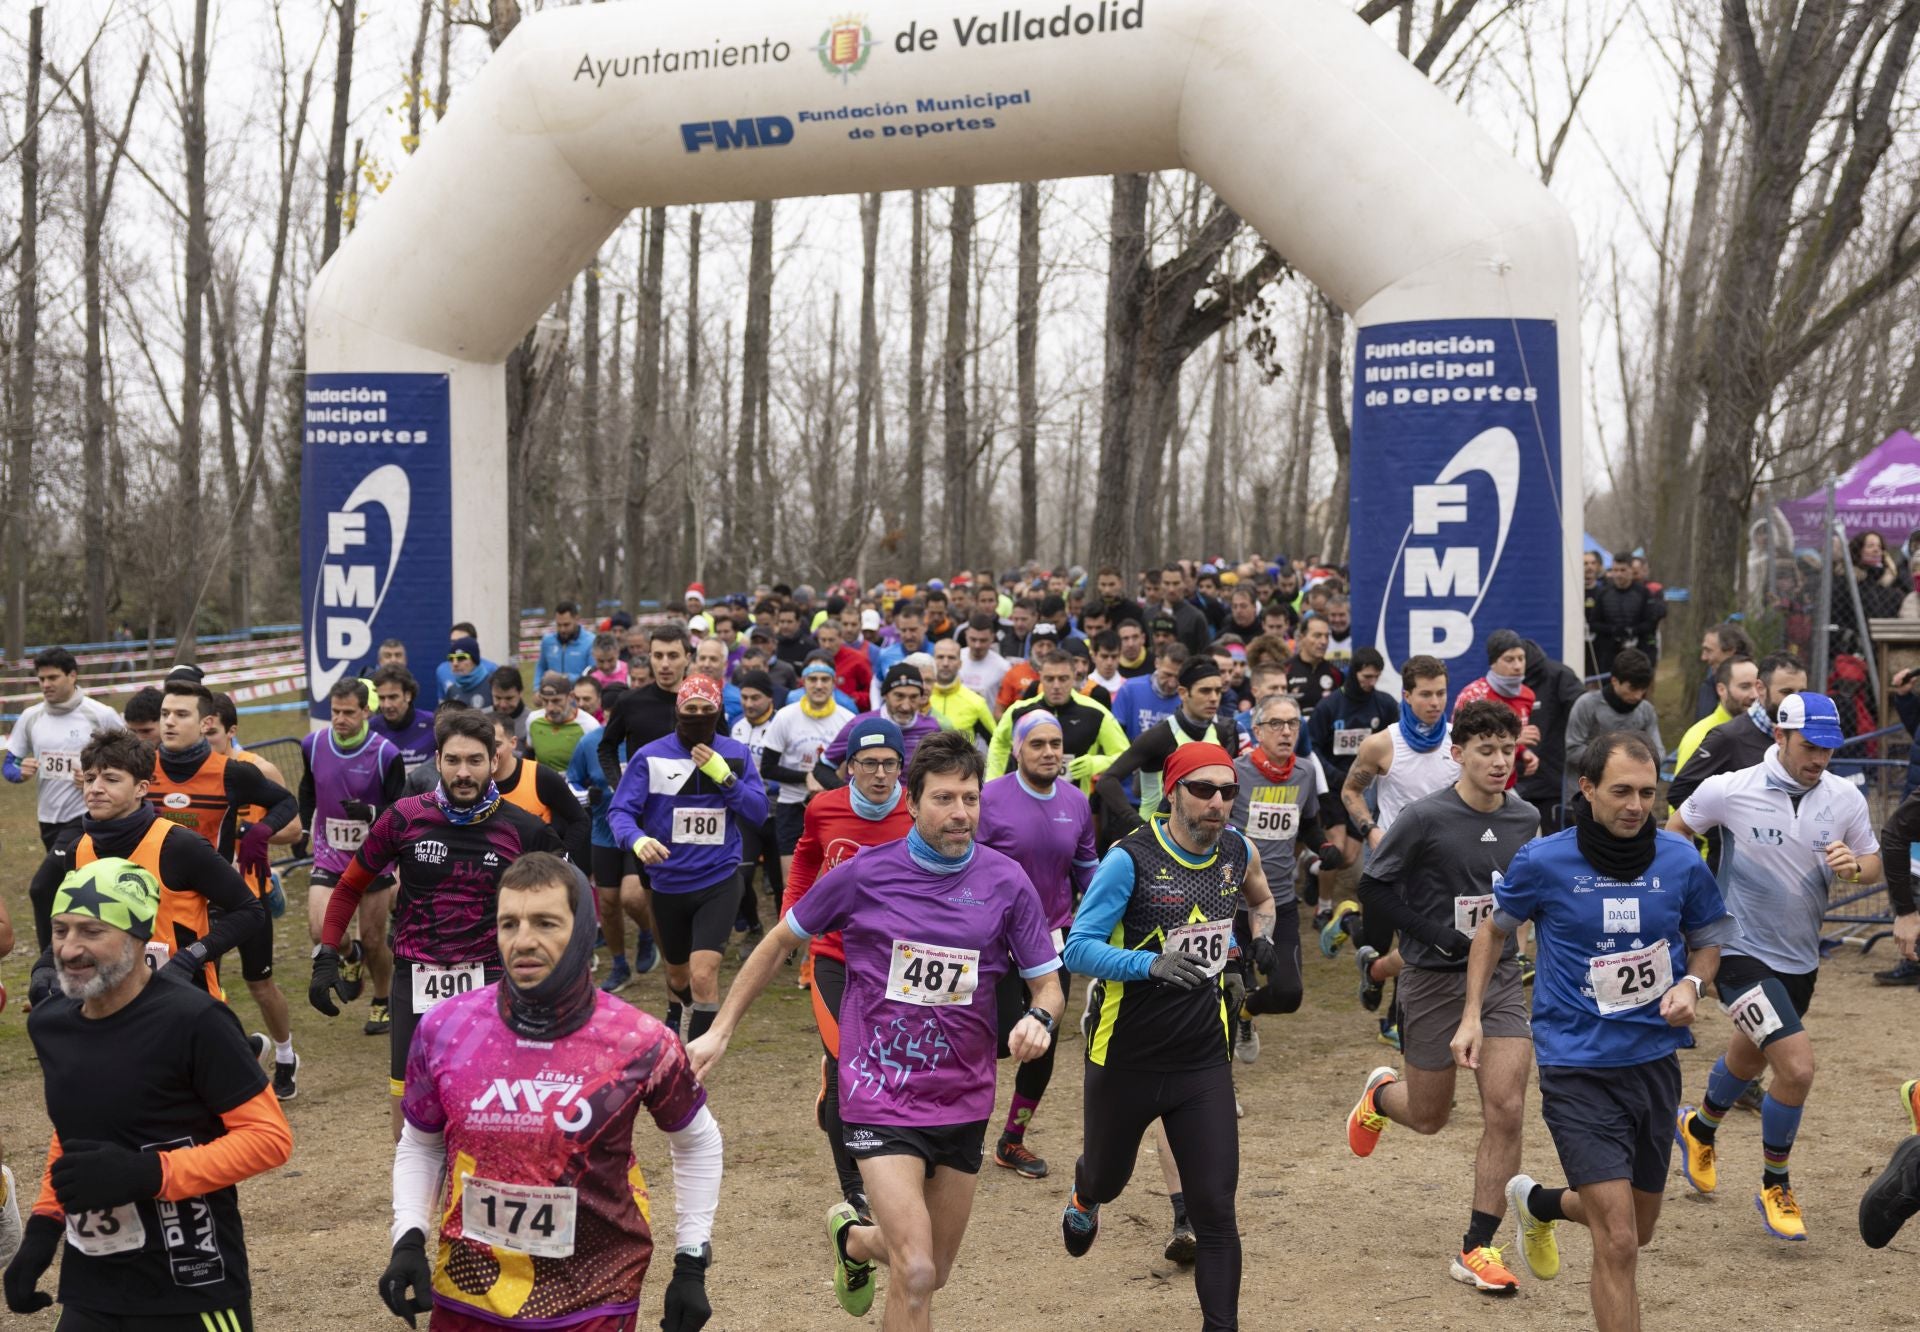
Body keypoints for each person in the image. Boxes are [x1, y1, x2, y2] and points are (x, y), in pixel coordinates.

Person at [688, 731, 1063, 1328]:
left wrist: (1040, 1018)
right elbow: (781, 940)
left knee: (932, 1272)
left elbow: (1048, 983)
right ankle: (873, 1238)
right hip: (879, 1091)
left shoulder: (1006, 881)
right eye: (943, 798)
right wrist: (721, 1029)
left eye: (969, 798)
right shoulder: (866, 875)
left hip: (963, 1095)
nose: (960, 812)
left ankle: (856, 1239)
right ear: (912, 802)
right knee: (914, 1272)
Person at [1454, 731, 1735, 1332]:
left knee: (1641, 1226)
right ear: (1587, 789)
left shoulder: (1681, 860)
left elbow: (1708, 940)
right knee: (1619, 1241)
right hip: (1576, 1065)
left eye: (1647, 793)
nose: (1636, 805)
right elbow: (1492, 932)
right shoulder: (1544, 861)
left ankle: (1541, 1202)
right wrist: (1473, 1014)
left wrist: (1692, 984)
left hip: (1653, 1062)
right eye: (1622, 791)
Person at [377, 853, 721, 1332]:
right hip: (469, 1290)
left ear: (582, 929)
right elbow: (421, 1141)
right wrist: (408, 1237)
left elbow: (697, 1142)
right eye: (508, 923)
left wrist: (690, 1261)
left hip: (596, 1295)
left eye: (545, 923)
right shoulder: (444, 1028)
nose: (523, 941)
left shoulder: (639, 1040)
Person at [3, 857, 293, 1330]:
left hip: (192, 1282)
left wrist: (151, 1172)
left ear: (137, 938)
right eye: (60, 931)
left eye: (91, 931)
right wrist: (44, 1227)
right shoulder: (50, 1024)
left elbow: (268, 1137)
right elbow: (75, 1131)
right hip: (93, 1281)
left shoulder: (194, 1020)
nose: (69, 949)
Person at [1062, 741, 1274, 1332]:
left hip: (1202, 1058)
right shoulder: (1129, 859)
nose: (1218, 802)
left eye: (1228, 791)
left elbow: (1263, 900)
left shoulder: (1237, 849)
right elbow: (1077, 946)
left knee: (1215, 1210)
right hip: (1126, 1054)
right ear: (1172, 792)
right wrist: (1145, 965)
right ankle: (1085, 1195)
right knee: (1110, 1176)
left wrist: (1264, 936)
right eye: (1203, 789)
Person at [1342, 701, 1541, 1295]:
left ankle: (1477, 1247)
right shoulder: (1426, 817)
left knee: (1506, 1108)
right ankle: (1381, 1095)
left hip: (1500, 978)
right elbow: (1374, 886)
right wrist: (1435, 935)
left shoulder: (1527, 818)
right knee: (1430, 1116)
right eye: (1486, 750)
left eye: (1507, 750)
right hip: (1431, 977)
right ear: (1458, 755)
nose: (1499, 761)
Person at [1667, 691, 1880, 1240]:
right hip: (1735, 949)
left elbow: (1873, 861)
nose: (1819, 759)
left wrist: (1855, 867)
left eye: (1829, 750)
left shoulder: (1843, 798)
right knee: (1797, 1067)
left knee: (1748, 1055)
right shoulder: (1729, 788)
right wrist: (1690, 903)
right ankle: (1774, 1183)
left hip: (1799, 957)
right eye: (1809, 747)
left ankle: (1698, 1125)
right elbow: (1675, 833)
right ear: (1780, 737)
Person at [308, 708, 568, 1139]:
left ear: (494, 761)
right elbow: (350, 885)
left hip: (490, 980)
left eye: (474, 761)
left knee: (490, 1117)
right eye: (453, 760)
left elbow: (566, 909)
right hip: (415, 977)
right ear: (437, 760)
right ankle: (417, 1205)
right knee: (409, 1127)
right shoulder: (404, 818)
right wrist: (326, 955)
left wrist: (555, 975)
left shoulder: (524, 830)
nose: (463, 772)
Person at [26, 728, 266, 1013]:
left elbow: (249, 910)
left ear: (141, 788)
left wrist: (190, 957)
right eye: (90, 778)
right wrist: (43, 967)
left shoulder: (180, 846)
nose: (96, 788)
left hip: (186, 1003)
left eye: (111, 779)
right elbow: (72, 924)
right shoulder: (79, 850)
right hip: (110, 1003)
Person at [781, 717, 915, 1219]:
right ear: (849, 767)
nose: (879, 774)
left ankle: (897, 1156)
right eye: (868, 764)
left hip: (898, 961)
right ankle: (854, 1188)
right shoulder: (823, 808)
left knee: (892, 1063)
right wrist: (790, 920)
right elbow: (804, 859)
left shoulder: (918, 811)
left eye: (889, 764)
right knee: (849, 1068)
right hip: (834, 954)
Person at [609, 674, 768, 1041]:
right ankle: (689, 1011)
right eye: (690, 709)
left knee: (702, 974)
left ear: (717, 712)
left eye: (706, 709)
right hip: (667, 883)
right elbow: (619, 812)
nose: (698, 715)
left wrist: (724, 777)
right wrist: (637, 840)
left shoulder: (735, 753)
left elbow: (758, 812)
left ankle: (696, 1060)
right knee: (678, 977)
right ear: (677, 710)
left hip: (719, 879)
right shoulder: (649, 756)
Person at [977, 711, 1099, 1180]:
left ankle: (1013, 1140)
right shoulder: (990, 799)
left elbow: (1087, 870)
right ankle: (959, 1134)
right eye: (1038, 744)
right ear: (1017, 749)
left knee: (1041, 1042)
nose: (1050, 753)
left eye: (1056, 744)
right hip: (993, 942)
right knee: (995, 1044)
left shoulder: (1076, 800)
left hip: (1051, 941)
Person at [1227, 692, 1343, 1062]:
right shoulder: (1233, 773)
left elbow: (1307, 823)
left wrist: (1322, 846)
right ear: (1257, 730)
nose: (1286, 731)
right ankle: (1219, 1087)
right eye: (1276, 724)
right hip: (1230, 904)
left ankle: (1248, 1014)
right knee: (1224, 994)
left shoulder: (1306, 772)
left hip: (1279, 902)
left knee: (1289, 994)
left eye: (1293, 723)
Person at [300, 680, 409, 1055]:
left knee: (376, 939)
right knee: (319, 931)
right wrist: (302, 827)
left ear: (367, 712)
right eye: (335, 712)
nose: (341, 719)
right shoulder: (312, 744)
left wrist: (371, 813)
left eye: (349, 712)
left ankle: (382, 999)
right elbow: (307, 790)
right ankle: (351, 956)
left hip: (374, 856)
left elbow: (401, 809)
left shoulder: (386, 753)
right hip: (330, 853)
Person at [1094, 657, 1241, 827]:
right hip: (1155, 838)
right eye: (1205, 691)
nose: (1214, 698)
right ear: (1183, 693)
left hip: (1199, 834)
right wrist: (1137, 824)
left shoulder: (1222, 733)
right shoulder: (1159, 736)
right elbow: (1107, 780)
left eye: (1218, 691)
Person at [4, 648, 122, 850]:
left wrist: (94, 778)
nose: (46, 684)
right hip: (47, 817)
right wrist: (18, 773)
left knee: (44, 882)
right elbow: (9, 765)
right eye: (41, 679)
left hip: (87, 814)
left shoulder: (101, 714)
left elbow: (129, 762)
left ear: (72, 675)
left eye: (53, 677)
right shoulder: (30, 717)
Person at [986, 654, 1129, 791]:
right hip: (1023, 800)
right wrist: (992, 783)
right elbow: (999, 744)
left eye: (1063, 679)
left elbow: (1126, 755)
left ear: (1074, 677)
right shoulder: (1019, 711)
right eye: (1049, 679)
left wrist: (1096, 763)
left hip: (1072, 805)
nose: (1056, 685)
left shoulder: (1096, 713)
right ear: (1040, 676)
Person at [1307, 647, 1397, 864]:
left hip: (1365, 787)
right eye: (1367, 676)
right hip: (1334, 786)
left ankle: (1311, 866)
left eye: (1376, 677)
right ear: (1354, 673)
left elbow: (1396, 742)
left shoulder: (1385, 704)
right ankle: (1315, 869)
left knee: (1348, 858)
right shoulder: (1329, 706)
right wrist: (1334, 775)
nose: (1372, 682)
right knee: (1336, 850)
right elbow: (1312, 747)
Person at [489, 713, 592, 867]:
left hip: (537, 875)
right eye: (484, 744)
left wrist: (560, 860)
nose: (490, 752)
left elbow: (580, 820)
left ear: (513, 743)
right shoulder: (473, 780)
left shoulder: (540, 776)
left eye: (496, 745)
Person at [1450, 631, 1540, 787]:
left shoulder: (1528, 695)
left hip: (1506, 785)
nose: (1518, 665)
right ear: (1493, 663)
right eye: (1509, 659)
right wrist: (1515, 739)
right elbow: (1463, 743)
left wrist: (1523, 752)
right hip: (1474, 786)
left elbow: (1515, 742)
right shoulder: (1473, 695)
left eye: (1521, 658)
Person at [820, 662, 942, 776]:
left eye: (913, 697)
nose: (906, 706)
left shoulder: (931, 728)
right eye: (899, 696)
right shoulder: (860, 725)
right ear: (885, 695)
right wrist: (844, 794)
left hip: (910, 798)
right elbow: (823, 766)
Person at [1516, 638, 1584, 834]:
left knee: (1556, 849)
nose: (1514, 665)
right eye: (1509, 660)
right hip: (1511, 783)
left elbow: (1584, 714)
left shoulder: (1559, 676)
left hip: (1552, 783)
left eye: (1518, 659)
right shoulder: (1496, 687)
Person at [1564, 649, 1663, 774]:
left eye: (1643, 689)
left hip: (1629, 787)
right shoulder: (1586, 705)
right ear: (1615, 681)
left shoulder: (1646, 711)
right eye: (1633, 688)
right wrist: (1617, 761)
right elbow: (1573, 750)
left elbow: (1658, 751)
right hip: (1587, 788)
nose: (1638, 695)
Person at [1675, 654, 1758, 776]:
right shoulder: (1699, 738)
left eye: (1758, 686)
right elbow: (1681, 793)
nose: (1755, 695)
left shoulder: (1769, 731)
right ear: (1721, 690)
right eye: (1745, 687)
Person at [1588, 556, 1660, 675]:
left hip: (1637, 651)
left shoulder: (1643, 592)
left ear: (1631, 570)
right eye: (1615, 570)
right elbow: (1594, 623)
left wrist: (1632, 631)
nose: (1619, 574)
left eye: (1623, 570)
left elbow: (1651, 622)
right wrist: (1612, 630)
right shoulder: (1604, 593)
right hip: (1609, 652)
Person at [528, 669, 602, 774]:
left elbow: (596, 767)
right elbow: (529, 755)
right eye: (545, 701)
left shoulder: (590, 726)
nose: (550, 708)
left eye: (556, 701)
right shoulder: (533, 720)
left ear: (571, 697)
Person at [927, 639, 996, 748]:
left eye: (951, 658)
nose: (945, 663)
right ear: (932, 661)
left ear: (960, 664)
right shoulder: (919, 698)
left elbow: (997, 743)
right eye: (940, 657)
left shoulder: (976, 702)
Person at [372, 664, 439, 768]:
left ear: (408, 695)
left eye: (393, 697)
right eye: (382, 698)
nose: (386, 705)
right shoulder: (372, 729)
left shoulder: (433, 724)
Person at [1695, 622, 1754, 721]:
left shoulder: (1764, 687)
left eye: (1708, 651)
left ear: (1730, 651)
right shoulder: (1709, 687)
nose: (1703, 657)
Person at [1282, 616, 1342, 712]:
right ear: (1302, 638)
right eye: (1317, 636)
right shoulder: (1284, 670)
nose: (1324, 641)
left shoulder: (1336, 673)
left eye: (1326, 636)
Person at [958, 614, 1011, 703]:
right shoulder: (954, 658)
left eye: (983, 640)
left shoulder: (1003, 667)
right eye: (973, 639)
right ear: (966, 635)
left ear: (992, 638)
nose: (977, 645)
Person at [536, 599, 595, 679]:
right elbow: (541, 667)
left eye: (566, 625)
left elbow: (593, 676)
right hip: (551, 691)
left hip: (579, 690)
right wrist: (536, 688)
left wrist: (563, 677)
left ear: (577, 619)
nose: (562, 629)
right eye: (558, 625)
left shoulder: (591, 642)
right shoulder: (547, 641)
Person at [439, 634, 497, 709]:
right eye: (451, 659)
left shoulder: (492, 685)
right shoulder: (452, 690)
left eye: (461, 658)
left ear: (474, 661)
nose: (455, 663)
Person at [489, 664, 535, 744]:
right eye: (498, 698)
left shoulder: (532, 722)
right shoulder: (482, 720)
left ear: (520, 693)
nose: (503, 705)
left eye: (509, 698)